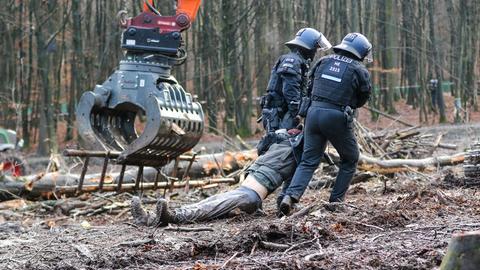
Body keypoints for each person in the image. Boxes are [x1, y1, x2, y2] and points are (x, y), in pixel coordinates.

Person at [278, 33, 373, 216]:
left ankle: (290, 197)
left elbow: (309, 87)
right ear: (361, 52)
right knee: (350, 158)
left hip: (313, 114)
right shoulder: (359, 70)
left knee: (308, 161)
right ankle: (335, 203)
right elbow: (363, 96)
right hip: (336, 116)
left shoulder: (323, 61)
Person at [131, 128, 304, 226]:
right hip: (242, 191)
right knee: (205, 203)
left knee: (208, 208)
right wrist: (284, 131)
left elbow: (291, 186)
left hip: (250, 197)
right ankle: (147, 219)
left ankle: (172, 217)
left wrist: (284, 207)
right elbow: (266, 141)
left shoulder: (298, 153)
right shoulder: (280, 141)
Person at [257, 28, 331, 155]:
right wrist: (297, 114)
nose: (315, 51)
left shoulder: (298, 61)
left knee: (286, 147)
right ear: (308, 47)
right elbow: (290, 91)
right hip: (280, 113)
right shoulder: (292, 61)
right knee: (281, 147)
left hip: (284, 112)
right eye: (315, 48)